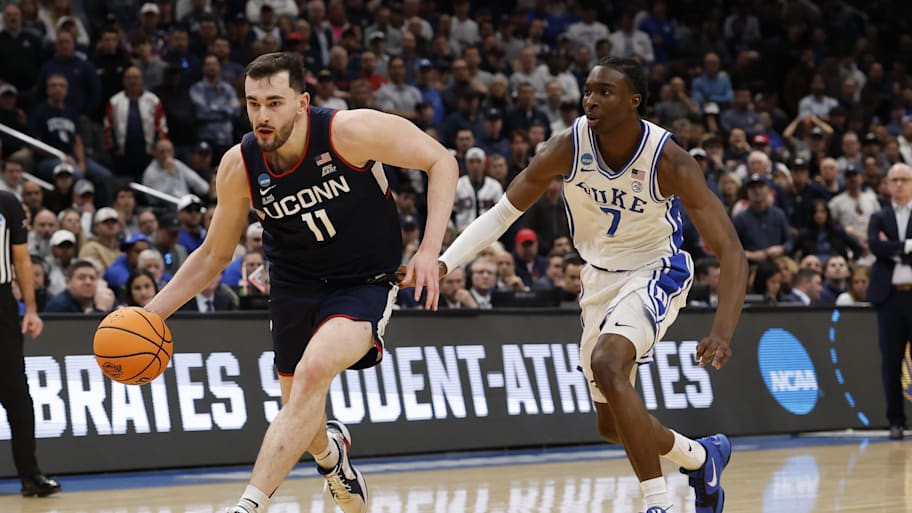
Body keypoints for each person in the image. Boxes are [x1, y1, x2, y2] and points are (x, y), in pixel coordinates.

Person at [419, 58, 748, 513]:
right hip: (597, 278)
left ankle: (659, 504)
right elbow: (502, 215)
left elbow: (731, 250)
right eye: (589, 91)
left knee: (609, 362)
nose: (591, 99)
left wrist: (722, 331)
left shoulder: (669, 160)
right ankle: (700, 456)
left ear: (634, 101)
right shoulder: (566, 147)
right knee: (612, 425)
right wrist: (442, 263)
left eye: (605, 92)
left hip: (656, 268)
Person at [138, 52, 457, 513]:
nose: (262, 116)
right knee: (300, 410)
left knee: (313, 371)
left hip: (364, 279)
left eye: (274, 103)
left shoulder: (348, 131)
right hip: (293, 283)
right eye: (253, 104)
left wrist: (429, 250)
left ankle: (248, 505)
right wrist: (152, 315)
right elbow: (213, 254)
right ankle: (332, 457)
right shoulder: (239, 165)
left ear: (302, 102)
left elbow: (440, 160)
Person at [0, 190, 60, 497]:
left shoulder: (7, 203)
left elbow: (21, 258)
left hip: (2, 306)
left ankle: (30, 475)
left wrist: (31, 309)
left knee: (19, 399)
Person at [866, 163, 912, 440]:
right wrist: (907, 246)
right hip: (890, 297)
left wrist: (891, 248)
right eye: (893, 179)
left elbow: (885, 249)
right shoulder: (879, 216)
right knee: (891, 361)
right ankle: (896, 421)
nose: (898, 185)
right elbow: (875, 246)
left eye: (903, 179)